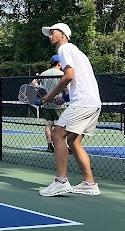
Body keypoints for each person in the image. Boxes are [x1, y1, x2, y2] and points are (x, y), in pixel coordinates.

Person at [39, 23, 102, 196]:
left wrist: (51, 95)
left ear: (63, 34)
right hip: (93, 102)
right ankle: (90, 183)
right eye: (49, 33)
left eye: (53, 32)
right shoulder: (76, 51)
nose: (50, 36)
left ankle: (61, 181)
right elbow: (79, 81)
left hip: (83, 102)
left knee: (57, 135)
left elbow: (69, 76)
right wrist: (64, 98)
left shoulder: (65, 49)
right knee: (73, 141)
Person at [37, 55, 66, 153]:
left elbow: (34, 83)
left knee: (49, 123)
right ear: (59, 63)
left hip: (46, 104)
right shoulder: (62, 73)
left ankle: (50, 145)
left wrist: (44, 95)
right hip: (59, 105)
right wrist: (64, 98)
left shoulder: (43, 73)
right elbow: (66, 89)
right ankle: (62, 145)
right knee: (63, 125)